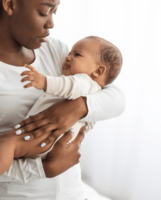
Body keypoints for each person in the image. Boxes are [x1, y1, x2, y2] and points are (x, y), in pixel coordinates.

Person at [0, 0, 125, 199]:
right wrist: (42, 168)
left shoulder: (53, 50)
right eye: (43, 12)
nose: (51, 23)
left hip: (72, 192)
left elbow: (115, 97)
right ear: (10, 4)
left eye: (54, 12)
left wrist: (78, 107)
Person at [0, 35, 123, 175]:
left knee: (8, 144)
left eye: (77, 55)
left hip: (46, 137)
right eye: (70, 53)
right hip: (49, 140)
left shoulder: (84, 82)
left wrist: (44, 82)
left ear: (98, 71)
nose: (68, 57)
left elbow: (69, 85)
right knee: (6, 145)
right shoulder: (93, 91)